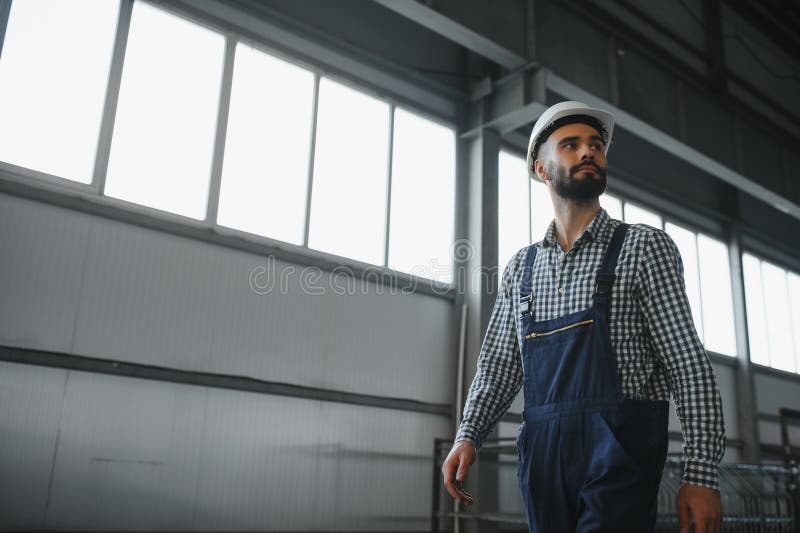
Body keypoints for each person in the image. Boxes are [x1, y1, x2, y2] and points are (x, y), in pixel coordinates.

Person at [441, 101, 726, 533]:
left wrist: (701, 474)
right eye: (571, 145)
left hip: (620, 449)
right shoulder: (522, 268)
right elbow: (498, 366)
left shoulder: (644, 248)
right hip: (543, 454)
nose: (588, 152)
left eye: (595, 145)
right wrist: (469, 433)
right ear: (541, 168)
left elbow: (687, 365)